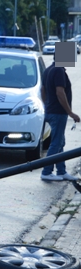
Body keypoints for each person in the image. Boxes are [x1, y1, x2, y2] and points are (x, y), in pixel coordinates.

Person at [40, 53, 80, 181]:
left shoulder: (49, 69)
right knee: (56, 143)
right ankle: (46, 171)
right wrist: (70, 113)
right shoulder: (58, 70)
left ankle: (61, 171)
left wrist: (47, 106)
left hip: (51, 111)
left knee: (60, 143)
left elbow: (43, 90)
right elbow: (60, 92)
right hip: (58, 113)